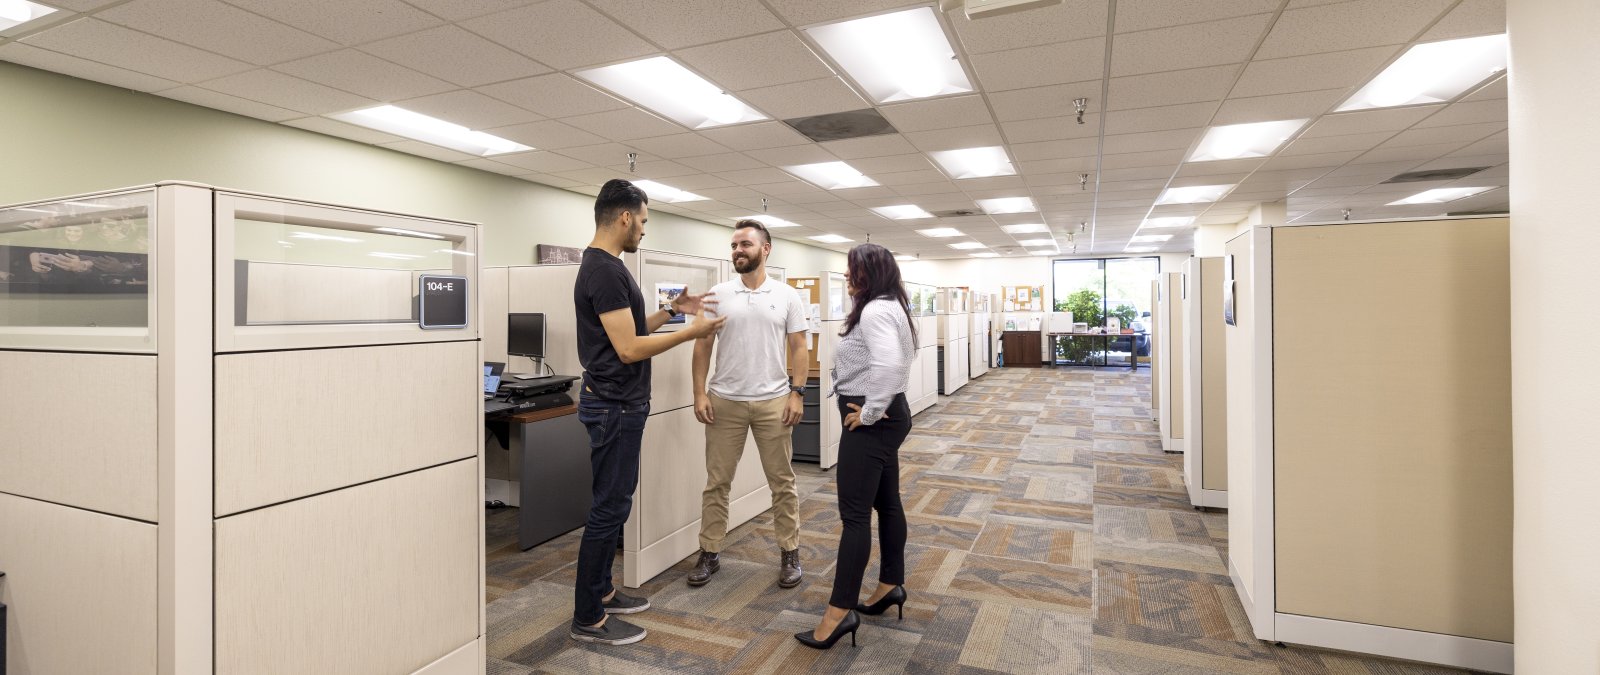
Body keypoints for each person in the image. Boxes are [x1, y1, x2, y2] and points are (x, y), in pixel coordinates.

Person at [569, 179, 726, 646]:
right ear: (624, 217)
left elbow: (633, 328)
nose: (643, 230)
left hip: (619, 404)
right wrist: (693, 332)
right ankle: (588, 616)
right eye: (643, 221)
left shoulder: (609, 267)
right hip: (614, 406)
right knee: (607, 509)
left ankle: (602, 590)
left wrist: (673, 312)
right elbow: (630, 348)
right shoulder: (603, 271)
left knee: (615, 503)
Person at [796, 243, 917, 650]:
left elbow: (889, 364)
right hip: (888, 414)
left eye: (853, 271)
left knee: (854, 516)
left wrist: (869, 413)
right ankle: (890, 585)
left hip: (872, 419)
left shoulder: (875, 310)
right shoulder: (892, 304)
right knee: (887, 503)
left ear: (870, 273)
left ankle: (839, 611)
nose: (847, 277)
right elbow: (901, 358)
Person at [686, 219, 810, 590]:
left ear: (765, 249)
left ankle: (790, 552)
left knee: (782, 483)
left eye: (745, 245)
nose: (738, 251)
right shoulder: (719, 293)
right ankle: (710, 552)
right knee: (717, 483)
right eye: (734, 245)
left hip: (774, 402)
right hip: (725, 402)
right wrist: (699, 393)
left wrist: (797, 392)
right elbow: (702, 345)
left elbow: (800, 346)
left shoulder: (787, 295)